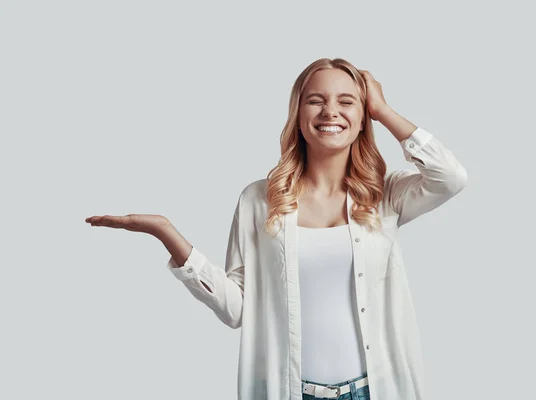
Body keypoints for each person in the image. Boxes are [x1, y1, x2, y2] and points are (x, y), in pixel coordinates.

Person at [85, 58, 468, 400]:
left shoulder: (385, 195)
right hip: (289, 391)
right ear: (298, 113)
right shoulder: (259, 200)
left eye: (346, 101)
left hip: (375, 390)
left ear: (363, 114)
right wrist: (166, 232)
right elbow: (236, 309)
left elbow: (449, 177)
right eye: (315, 100)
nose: (329, 111)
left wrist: (383, 109)